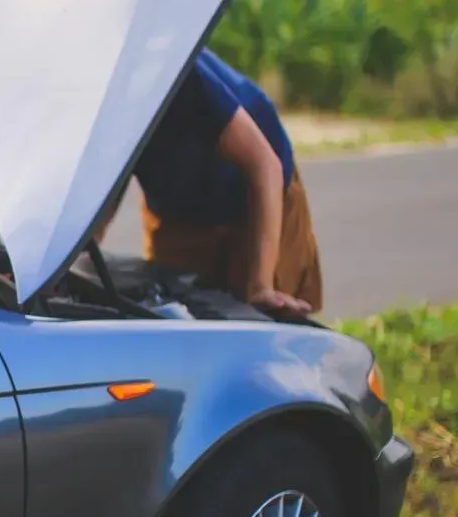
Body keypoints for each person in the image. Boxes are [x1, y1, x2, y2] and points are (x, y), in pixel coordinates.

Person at [112, 49, 323, 318]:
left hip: (255, 193)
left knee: (262, 316)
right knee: (172, 313)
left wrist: (260, 285)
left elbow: (264, 165)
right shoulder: (87, 96)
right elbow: (108, 178)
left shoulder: (175, 73)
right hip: (177, 209)